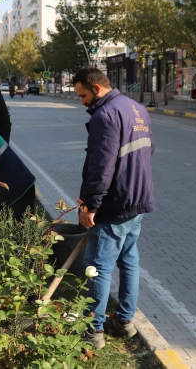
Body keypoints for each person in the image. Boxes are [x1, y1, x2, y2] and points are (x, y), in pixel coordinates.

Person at [71, 65, 156, 349]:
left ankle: (93, 331)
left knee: (97, 266)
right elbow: (149, 150)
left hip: (114, 202)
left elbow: (101, 166)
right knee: (129, 260)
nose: (82, 101)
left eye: (82, 95)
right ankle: (123, 321)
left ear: (96, 88)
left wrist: (91, 205)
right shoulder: (137, 108)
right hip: (137, 199)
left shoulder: (105, 115)